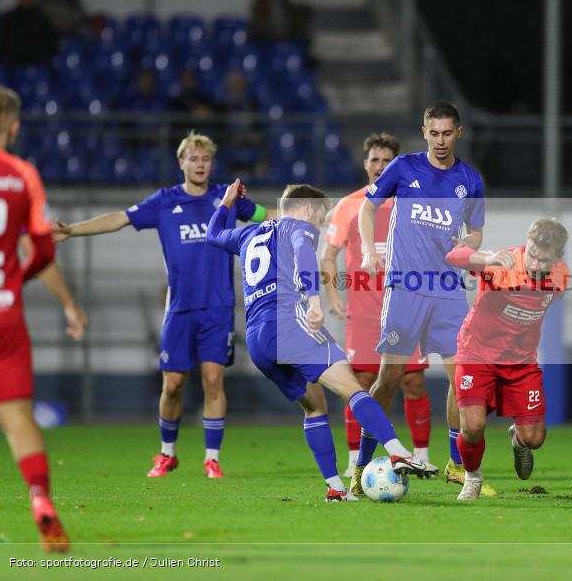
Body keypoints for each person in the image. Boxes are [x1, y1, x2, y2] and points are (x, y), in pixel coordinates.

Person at [54, 131, 277, 479]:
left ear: (212, 164)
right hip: (179, 310)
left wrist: (308, 214)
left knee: (213, 380)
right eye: (194, 158)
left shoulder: (227, 198)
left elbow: (267, 214)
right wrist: (72, 230)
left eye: (205, 159)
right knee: (172, 385)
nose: (200, 164)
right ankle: (167, 453)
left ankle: (212, 458)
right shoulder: (163, 202)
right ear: (181, 163)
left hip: (218, 308)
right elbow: (119, 218)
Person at [206, 180, 433, 500]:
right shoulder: (298, 226)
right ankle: (397, 451)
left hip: (258, 337)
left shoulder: (249, 233)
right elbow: (302, 253)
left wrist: (227, 202)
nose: (321, 222)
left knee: (314, 407)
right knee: (352, 388)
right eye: (321, 216)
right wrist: (314, 300)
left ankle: (336, 489)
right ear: (307, 209)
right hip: (287, 322)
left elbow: (212, 235)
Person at [353, 101, 487, 496]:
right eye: (434, 133)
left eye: (448, 133)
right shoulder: (404, 168)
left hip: (448, 292)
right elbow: (367, 207)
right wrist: (368, 249)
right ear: (424, 132)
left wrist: (469, 244)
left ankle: (457, 466)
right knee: (389, 378)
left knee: (461, 380)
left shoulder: (470, 180)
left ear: (458, 134)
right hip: (406, 288)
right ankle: (360, 466)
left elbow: (476, 230)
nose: (441, 140)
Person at [0, 85, 88, 509]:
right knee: (15, 416)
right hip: (6, 310)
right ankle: (40, 500)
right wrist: (66, 302)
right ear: (11, 127)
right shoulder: (22, 175)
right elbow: (43, 248)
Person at [320, 133, 433, 478]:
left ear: (394, 165)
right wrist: (334, 296)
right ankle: (356, 457)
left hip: (406, 309)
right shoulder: (349, 206)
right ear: (365, 163)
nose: (380, 167)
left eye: (387, 161)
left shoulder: (413, 203)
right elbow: (328, 255)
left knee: (412, 383)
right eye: (374, 160)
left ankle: (421, 455)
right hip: (365, 313)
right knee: (361, 382)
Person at [446, 218, 570, 500]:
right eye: (533, 254)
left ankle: (518, 440)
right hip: (476, 353)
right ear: (528, 243)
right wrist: (483, 255)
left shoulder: (561, 277)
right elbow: (454, 256)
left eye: (545, 259)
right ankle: (473, 478)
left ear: (558, 258)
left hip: (520, 362)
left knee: (535, 439)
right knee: (473, 426)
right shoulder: (502, 265)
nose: (536, 264)